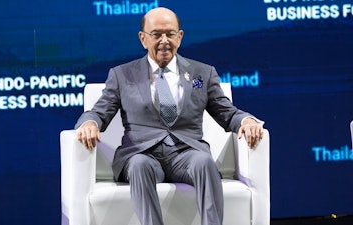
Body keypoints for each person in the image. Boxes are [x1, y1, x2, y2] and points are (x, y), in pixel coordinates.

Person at [75, 7, 264, 225]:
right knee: (139, 166)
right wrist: (89, 123)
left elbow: (226, 112)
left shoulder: (202, 73)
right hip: (142, 154)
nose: (164, 40)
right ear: (143, 39)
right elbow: (101, 110)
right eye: (156, 34)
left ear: (180, 37)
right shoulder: (122, 75)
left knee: (205, 162)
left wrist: (247, 121)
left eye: (170, 34)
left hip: (186, 154)